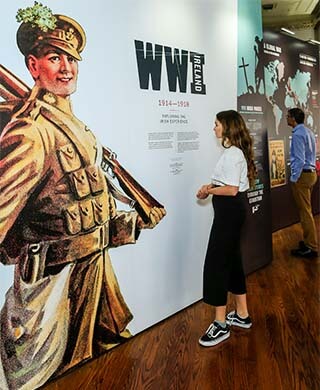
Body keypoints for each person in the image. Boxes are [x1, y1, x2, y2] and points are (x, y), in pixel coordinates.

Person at [0, 4, 165, 390]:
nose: (66, 67)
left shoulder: (80, 129)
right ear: (33, 65)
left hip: (95, 278)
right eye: (54, 57)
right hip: (52, 291)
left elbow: (88, 201)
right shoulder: (30, 133)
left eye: (71, 58)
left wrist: (131, 219)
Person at [196, 110, 256, 347]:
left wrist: (209, 191)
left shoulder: (232, 154)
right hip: (232, 213)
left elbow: (231, 189)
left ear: (227, 127)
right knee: (232, 263)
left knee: (216, 264)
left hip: (229, 214)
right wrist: (210, 186)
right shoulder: (234, 153)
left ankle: (220, 325)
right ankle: (242, 315)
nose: (214, 128)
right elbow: (229, 183)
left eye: (217, 124)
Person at [287, 107, 318, 258]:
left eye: (288, 116)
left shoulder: (298, 134)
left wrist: (294, 178)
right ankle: (308, 242)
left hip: (302, 177)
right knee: (306, 210)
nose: (286, 118)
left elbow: (299, 160)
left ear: (293, 118)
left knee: (305, 212)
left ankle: (311, 247)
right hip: (311, 174)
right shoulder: (308, 131)